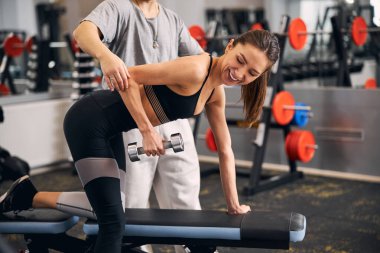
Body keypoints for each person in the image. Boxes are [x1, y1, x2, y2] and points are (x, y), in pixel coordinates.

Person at [0, 30, 280, 253]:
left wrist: (233, 204)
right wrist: (147, 130)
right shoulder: (196, 68)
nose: (240, 73)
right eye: (241, 61)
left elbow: (225, 149)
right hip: (89, 121)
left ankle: (25, 196)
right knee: (113, 225)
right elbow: (128, 76)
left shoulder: (215, 93)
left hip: (110, 131)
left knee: (113, 209)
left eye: (251, 73)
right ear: (230, 46)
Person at [73, 1, 204, 251]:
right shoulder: (118, 8)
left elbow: (200, 59)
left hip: (172, 120)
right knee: (132, 208)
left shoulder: (172, 19)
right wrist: (106, 55)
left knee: (186, 204)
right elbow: (83, 32)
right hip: (129, 120)